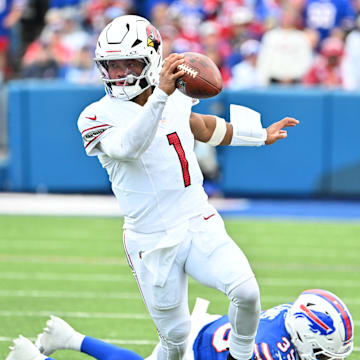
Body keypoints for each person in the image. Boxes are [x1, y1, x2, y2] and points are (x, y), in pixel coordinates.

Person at [76, 14, 299, 360]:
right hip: (150, 238)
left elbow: (203, 126)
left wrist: (259, 136)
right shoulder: (95, 115)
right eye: (112, 65)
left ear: (150, 61)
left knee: (247, 291)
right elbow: (129, 146)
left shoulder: (174, 95)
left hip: (196, 218)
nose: (119, 74)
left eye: (128, 64)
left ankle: (240, 358)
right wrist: (161, 96)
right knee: (176, 341)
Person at [5, 289, 354, 360]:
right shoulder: (270, 351)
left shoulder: (287, 318)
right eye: (324, 355)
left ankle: (68, 337)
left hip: (202, 331)